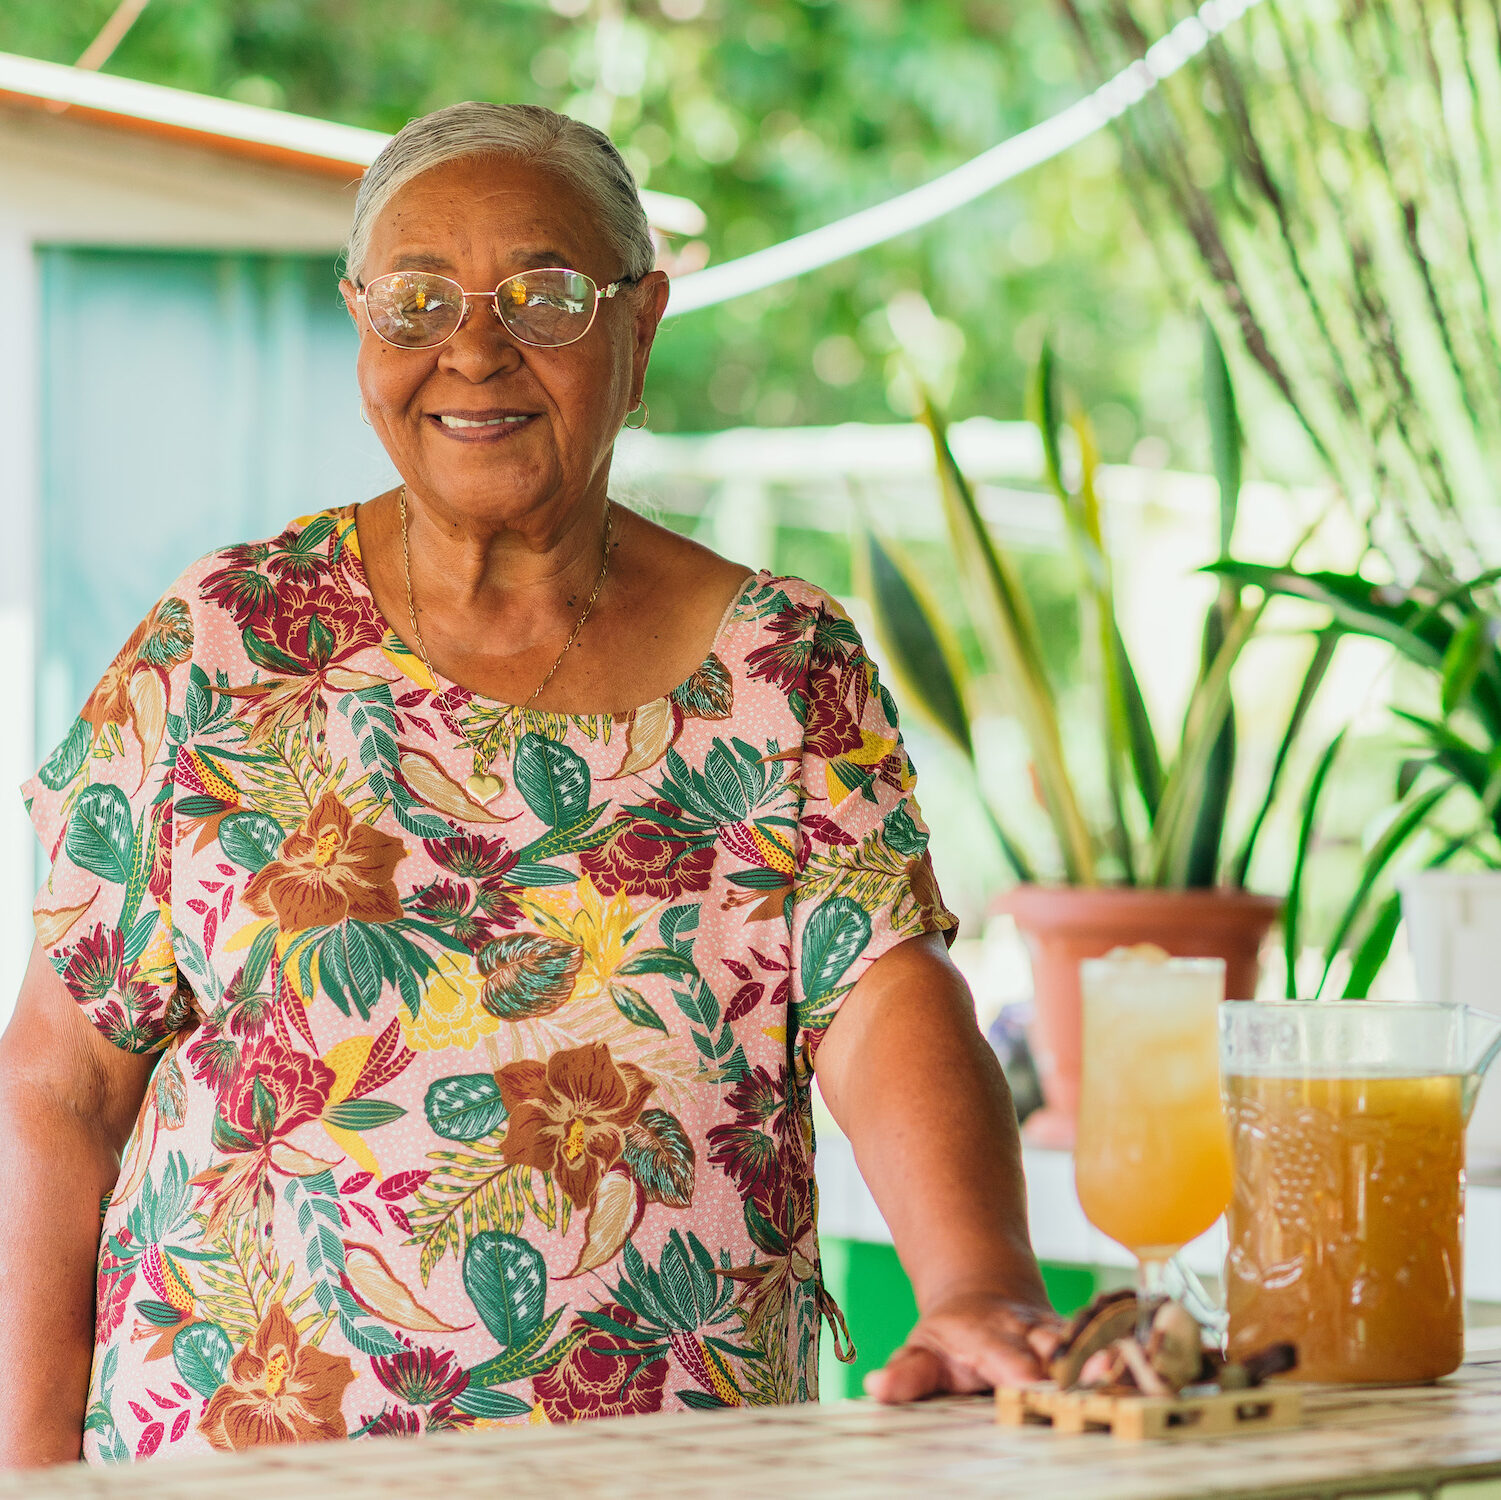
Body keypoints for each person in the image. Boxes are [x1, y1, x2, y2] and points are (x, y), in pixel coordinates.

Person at [0, 102, 1057, 1468]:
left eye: (544, 295)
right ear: (360, 323)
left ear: (642, 324)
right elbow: (60, 1088)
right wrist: (23, 1469)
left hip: (674, 1475)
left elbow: (885, 996)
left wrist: (977, 1285)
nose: (474, 348)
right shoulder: (226, 643)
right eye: (416, 300)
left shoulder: (781, 668)